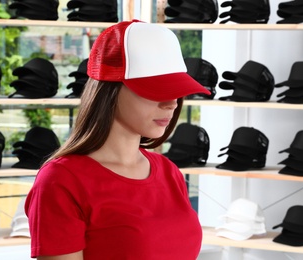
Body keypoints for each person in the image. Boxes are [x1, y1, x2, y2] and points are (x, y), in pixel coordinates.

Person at [25, 19, 210, 260]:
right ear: (109, 90)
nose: (171, 103)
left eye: (176, 91)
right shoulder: (61, 182)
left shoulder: (169, 172)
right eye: (157, 89)